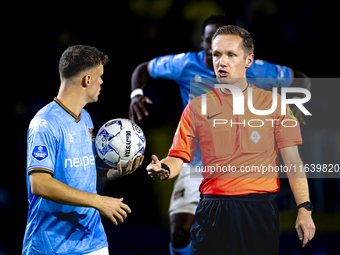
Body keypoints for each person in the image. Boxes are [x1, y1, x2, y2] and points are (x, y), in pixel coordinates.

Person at [129, 14, 311, 255]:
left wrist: (304, 209)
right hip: (210, 199)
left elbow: (293, 161)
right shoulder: (195, 106)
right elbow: (177, 157)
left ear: (249, 61)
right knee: (180, 234)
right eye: (216, 54)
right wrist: (163, 169)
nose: (220, 61)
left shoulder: (274, 103)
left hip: (257, 206)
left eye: (230, 55)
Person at [23, 45, 144, 255]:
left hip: (92, 241)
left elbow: (79, 174)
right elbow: (40, 183)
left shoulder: (86, 118)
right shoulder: (45, 123)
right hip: (50, 245)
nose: (102, 82)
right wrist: (98, 201)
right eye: (100, 76)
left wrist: (114, 173)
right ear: (87, 80)